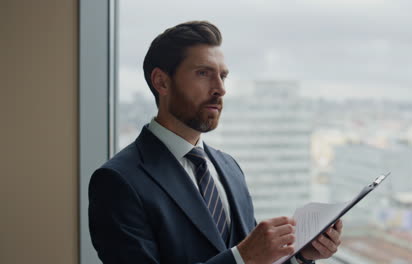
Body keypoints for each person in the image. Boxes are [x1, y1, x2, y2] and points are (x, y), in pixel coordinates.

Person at [88, 20, 343, 264]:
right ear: (161, 82)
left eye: (223, 76)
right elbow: (246, 258)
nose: (220, 88)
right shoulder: (118, 181)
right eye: (203, 73)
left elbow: (256, 260)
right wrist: (242, 258)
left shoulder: (229, 167)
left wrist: (300, 256)